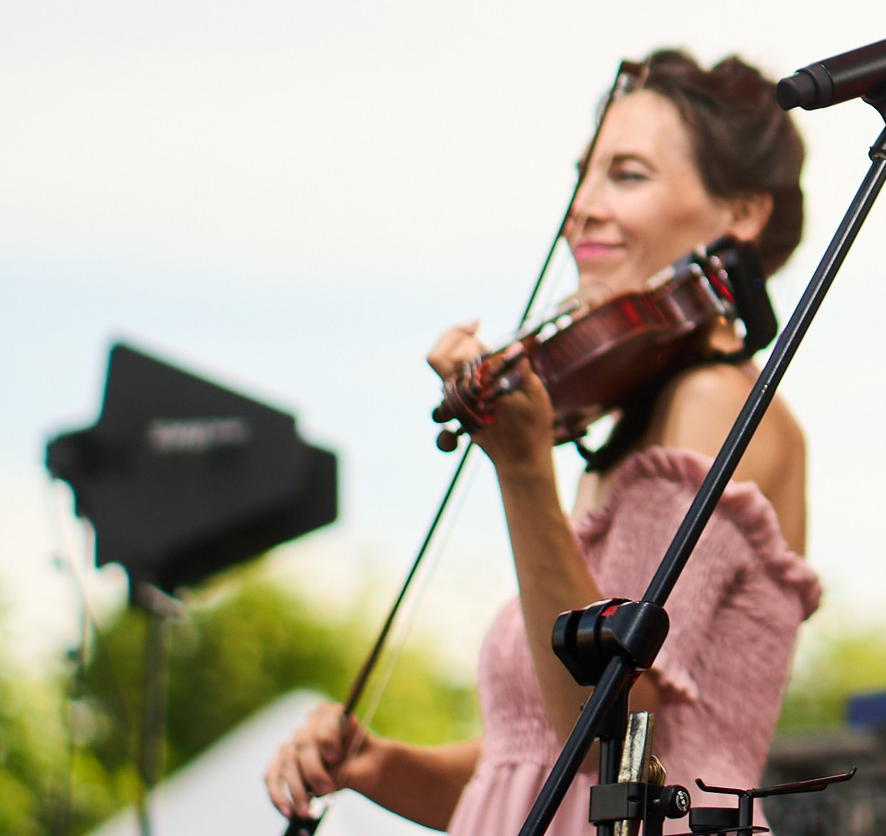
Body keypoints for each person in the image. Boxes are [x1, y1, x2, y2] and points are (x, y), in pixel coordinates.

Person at [265, 51, 823, 835]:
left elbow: (607, 729)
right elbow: (528, 768)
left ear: (741, 214)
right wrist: (380, 766)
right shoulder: (629, 431)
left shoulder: (716, 405)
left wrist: (525, 471)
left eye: (625, 176)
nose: (581, 210)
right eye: (581, 178)